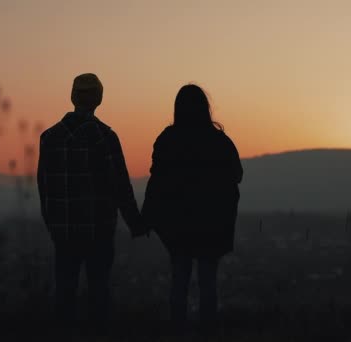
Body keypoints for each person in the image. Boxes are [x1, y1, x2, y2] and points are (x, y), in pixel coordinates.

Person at [37, 73, 147, 333]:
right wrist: (135, 222)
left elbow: (44, 186)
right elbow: (121, 185)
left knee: (65, 292)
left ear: (73, 97)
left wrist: (52, 222)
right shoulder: (105, 136)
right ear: (99, 99)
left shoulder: (49, 138)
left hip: (63, 231)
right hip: (98, 229)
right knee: (98, 292)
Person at [142, 84, 243, 333]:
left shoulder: (167, 140)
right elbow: (237, 175)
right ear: (205, 109)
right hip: (212, 226)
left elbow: (156, 182)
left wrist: (146, 218)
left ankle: (178, 331)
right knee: (208, 284)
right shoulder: (220, 142)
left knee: (179, 281)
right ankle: (207, 331)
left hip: (178, 227)